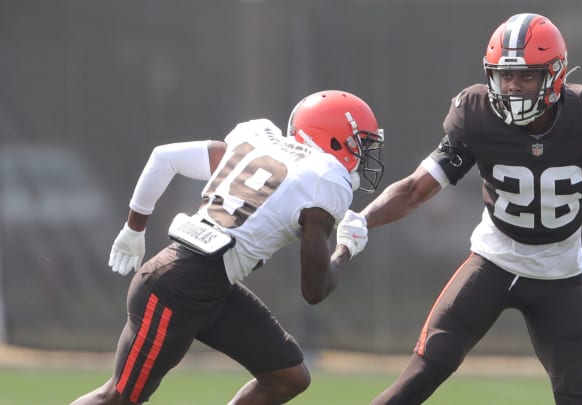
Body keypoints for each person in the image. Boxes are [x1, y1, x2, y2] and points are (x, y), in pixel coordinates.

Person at [339, 13, 582, 405]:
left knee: (581, 392)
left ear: (555, 75)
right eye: (505, 76)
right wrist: (363, 219)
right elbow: (416, 188)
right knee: (423, 371)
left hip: (561, 275)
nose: (513, 87)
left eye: (526, 76)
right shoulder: (477, 116)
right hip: (493, 261)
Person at [70, 90, 384, 405]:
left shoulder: (256, 141)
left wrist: (134, 228)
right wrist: (346, 248)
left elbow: (164, 158)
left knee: (287, 377)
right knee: (117, 398)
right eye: (361, 144)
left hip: (207, 283)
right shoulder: (322, 182)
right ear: (332, 139)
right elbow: (314, 290)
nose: (364, 155)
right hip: (176, 288)